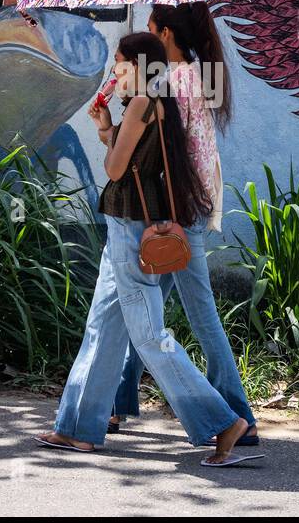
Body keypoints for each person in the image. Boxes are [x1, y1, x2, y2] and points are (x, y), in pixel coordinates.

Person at [35, 32, 262, 466]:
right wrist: (107, 127)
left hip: (129, 228)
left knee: (151, 337)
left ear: (139, 65)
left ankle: (222, 420)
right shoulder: (157, 101)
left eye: (119, 63)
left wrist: (110, 133)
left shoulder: (142, 103)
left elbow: (116, 168)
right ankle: (79, 429)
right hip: (127, 225)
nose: (113, 72)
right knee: (102, 327)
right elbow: (136, 157)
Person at [108, 4, 258, 446]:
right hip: (196, 198)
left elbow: (156, 151)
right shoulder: (197, 73)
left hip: (181, 207)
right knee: (148, 311)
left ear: (167, 34)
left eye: (152, 31)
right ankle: (117, 402)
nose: (149, 40)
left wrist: (120, 118)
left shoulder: (172, 81)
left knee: (200, 313)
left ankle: (238, 416)